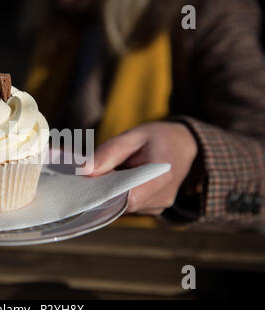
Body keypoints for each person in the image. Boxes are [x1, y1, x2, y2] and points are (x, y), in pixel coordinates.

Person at [22, 0, 265, 226]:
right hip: (52, 236)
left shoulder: (208, 11)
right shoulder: (64, 19)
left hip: (170, 252)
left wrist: (193, 152)